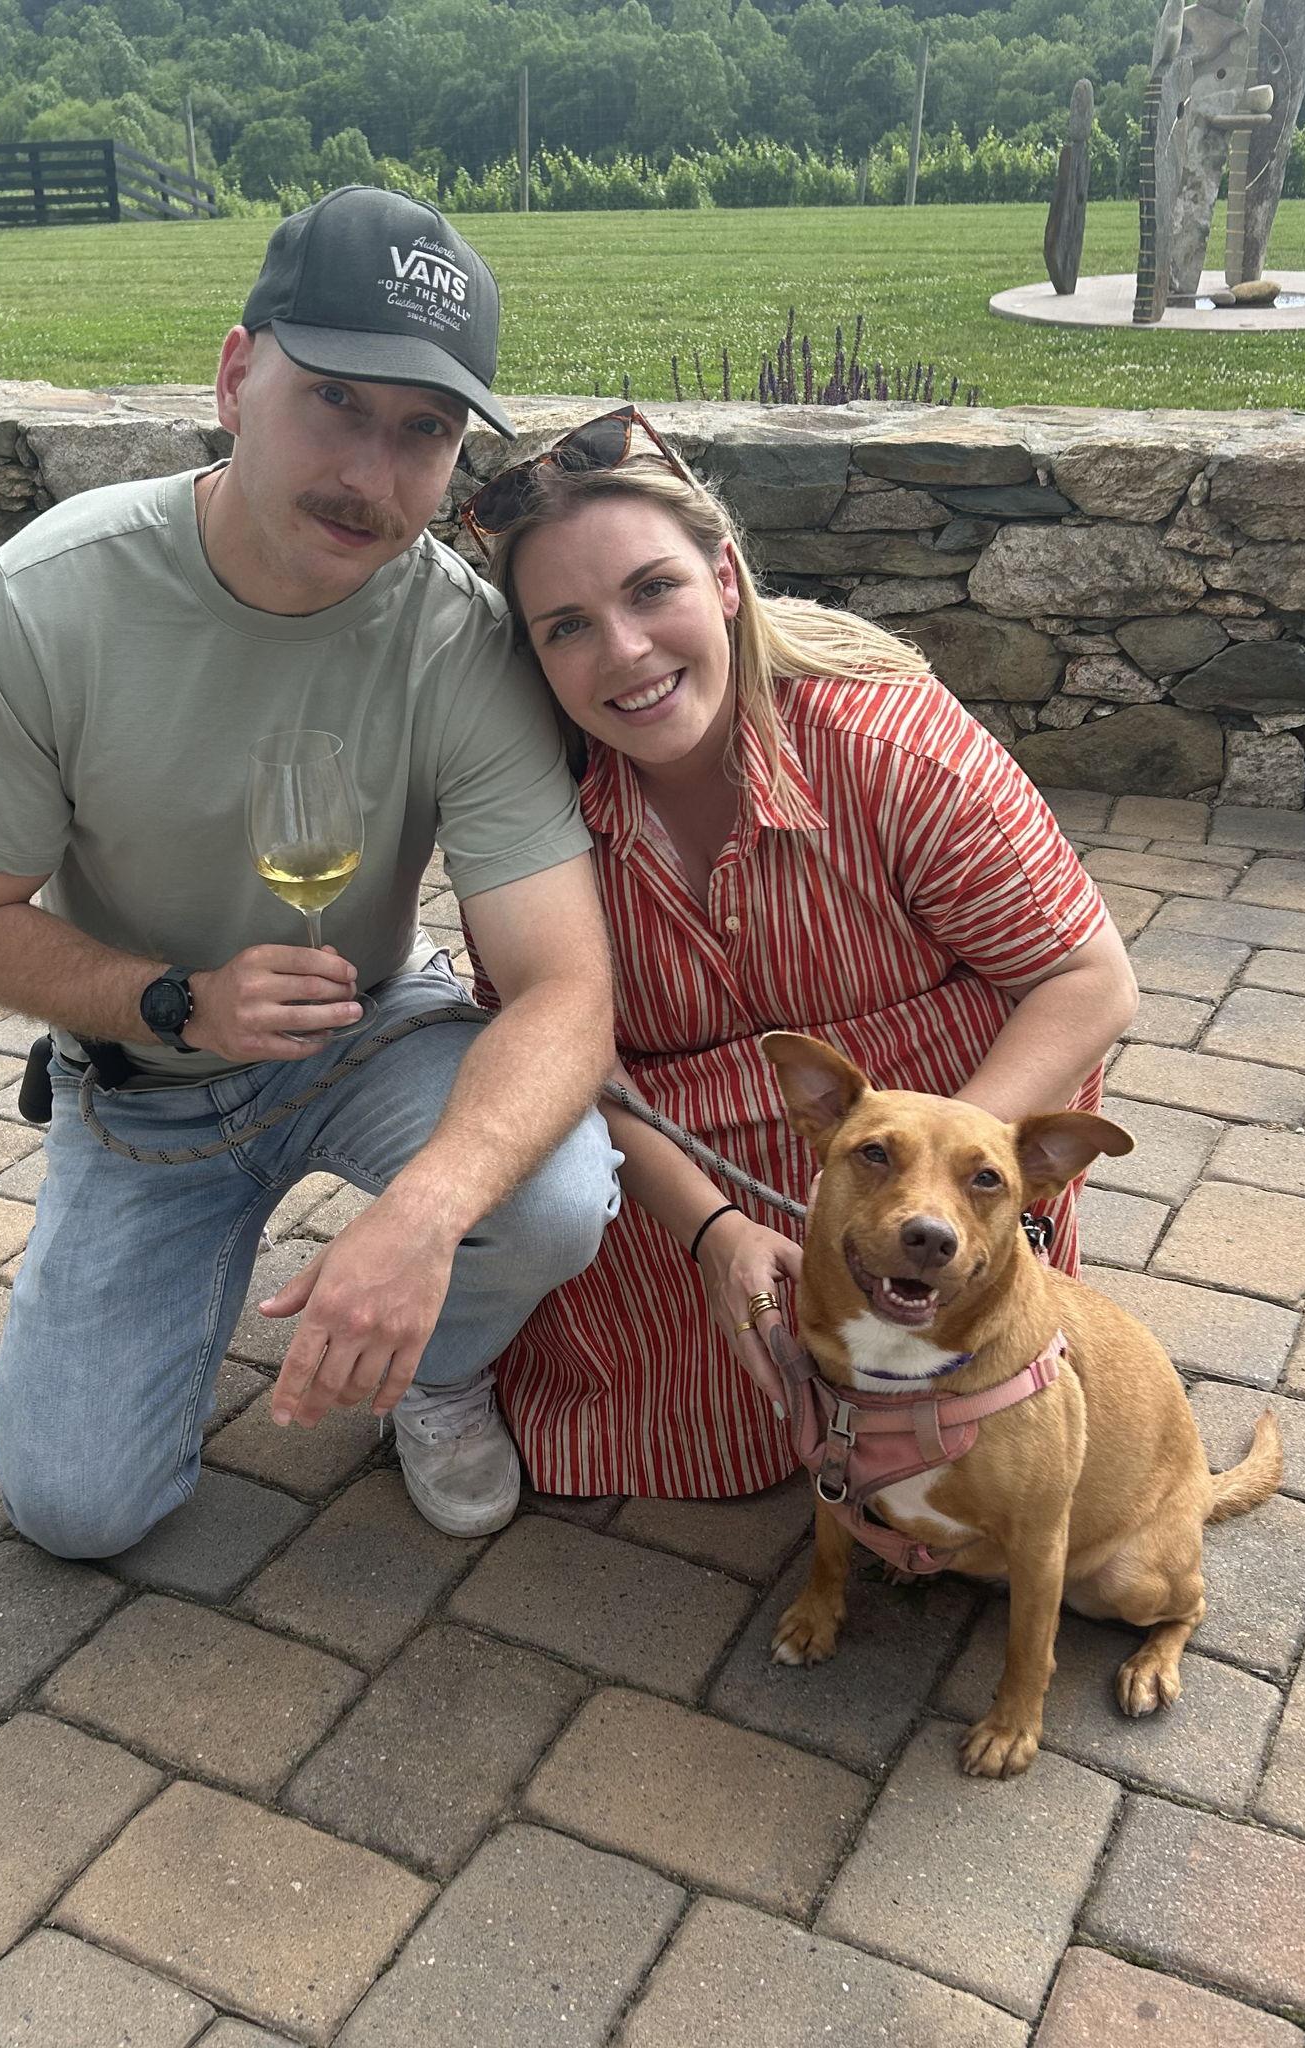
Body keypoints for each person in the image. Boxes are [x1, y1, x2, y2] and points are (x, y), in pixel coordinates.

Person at [0, 188, 619, 1554]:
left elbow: (568, 994)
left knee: (550, 1193)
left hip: (361, 1028)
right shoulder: (58, 595)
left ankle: (439, 1369)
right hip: (146, 1073)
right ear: (238, 376)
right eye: (337, 401)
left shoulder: (456, 638)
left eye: (424, 432)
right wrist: (177, 1002)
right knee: (75, 1513)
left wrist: (423, 1215)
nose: (373, 471)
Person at [463, 409, 1138, 1498]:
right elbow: (560, 1054)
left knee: (955, 1435)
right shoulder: (532, 802)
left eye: (651, 590)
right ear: (533, 657)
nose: (625, 653)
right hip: (681, 1159)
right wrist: (718, 1232)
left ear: (723, 576)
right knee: (657, 1422)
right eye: (567, 627)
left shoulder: (886, 745)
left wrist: (944, 1180)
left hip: (937, 1115)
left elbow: (1087, 977)